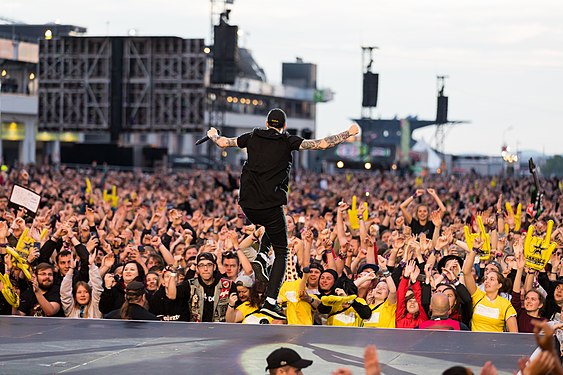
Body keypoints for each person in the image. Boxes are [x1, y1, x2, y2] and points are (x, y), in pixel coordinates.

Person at [207, 108, 360, 319]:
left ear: (267, 122)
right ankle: (270, 301)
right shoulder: (287, 141)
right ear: (284, 126)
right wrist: (348, 133)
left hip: (248, 205)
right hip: (270, 205)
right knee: (282, 250)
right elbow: (321, 143)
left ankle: (261, 255)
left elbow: (223, 142)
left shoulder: (251, 137)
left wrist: (212, 134)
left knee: (275, 224)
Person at [462, 238, 518, 332]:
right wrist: (474, 250)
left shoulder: (506, 304)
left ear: (499, 285)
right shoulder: (478, 296)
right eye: (486, 278)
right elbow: (466, 272)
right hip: (475, 344)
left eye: (492, 279)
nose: (487, 281)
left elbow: (514, 334)